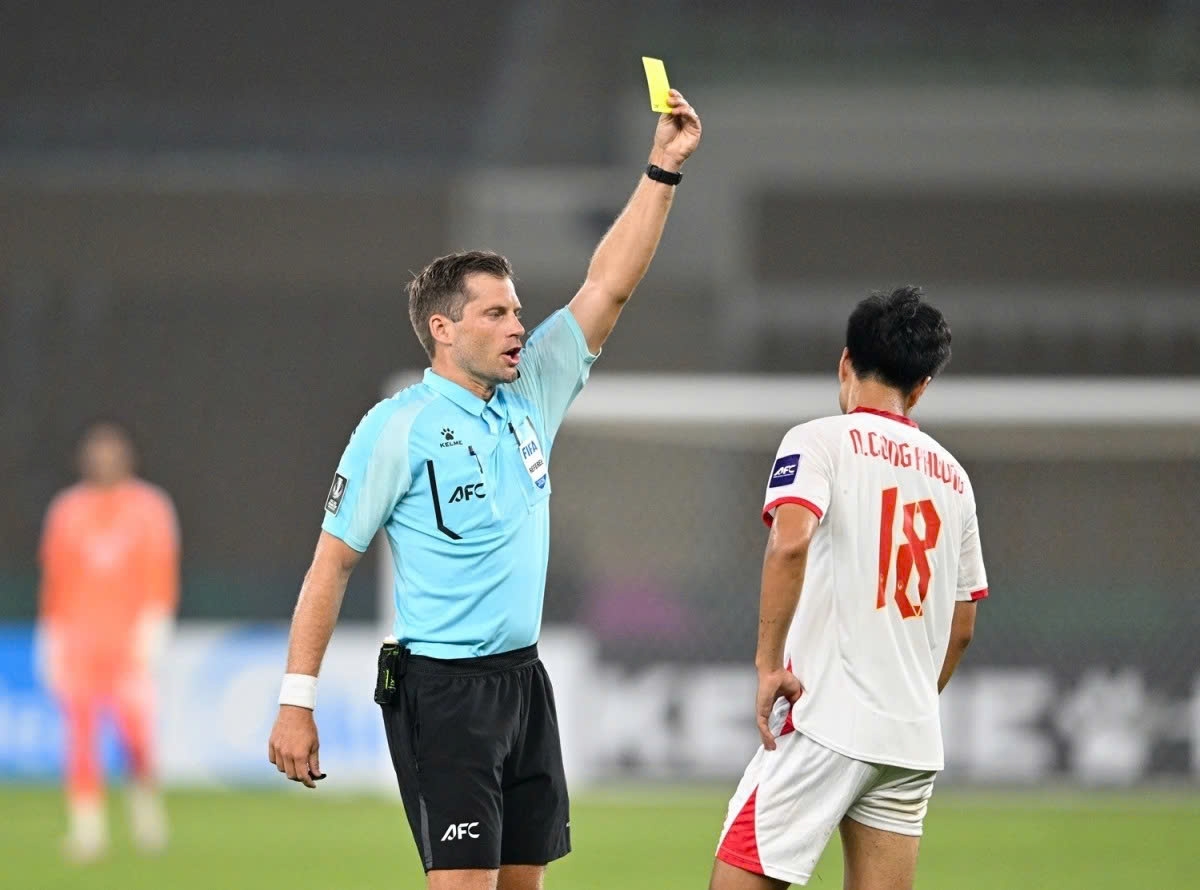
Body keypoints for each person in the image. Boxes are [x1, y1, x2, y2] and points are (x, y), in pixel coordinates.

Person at [268, 89, 702, 889]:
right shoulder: (395, 429)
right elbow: (330, 566)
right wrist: (297, 700)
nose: (516, 328)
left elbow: (607, 287)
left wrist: (662, 170)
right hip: (443, 691)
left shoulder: (531, 391)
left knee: (522, 885)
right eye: (497, 313)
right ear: (443, 328)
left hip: (524, 683)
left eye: (518, 312)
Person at [710, 287, 988, 890]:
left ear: (845, 362)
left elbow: (790, 542)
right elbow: (962, 624)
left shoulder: (819, 441)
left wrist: (766, 666)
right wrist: (912, 695)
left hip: (826, 719)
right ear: (921, 389)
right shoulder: (956, 480)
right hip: (910, 740)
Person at [36, 421, 181, 862]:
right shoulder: (66, 510)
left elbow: (161, 569)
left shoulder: (150, 507)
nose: (104, 462)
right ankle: (88, 830)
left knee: (135, 734)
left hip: (129, 638)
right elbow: (55, 578)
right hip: (80, 638)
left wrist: (156, 624)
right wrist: (52, 633)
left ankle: (145, 811)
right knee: (79, 734)